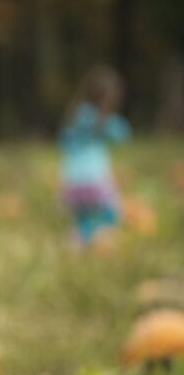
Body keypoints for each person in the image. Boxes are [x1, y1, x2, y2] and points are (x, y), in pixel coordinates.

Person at [59, 65, 131, 247]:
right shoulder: (101, 120)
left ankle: (76, 244)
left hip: (73, 180)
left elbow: (64, 140)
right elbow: (123, 134)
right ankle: (102, 244)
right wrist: (107, 118)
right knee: (112, 213)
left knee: (82, 218)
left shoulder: (76, 116)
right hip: (95, 179)